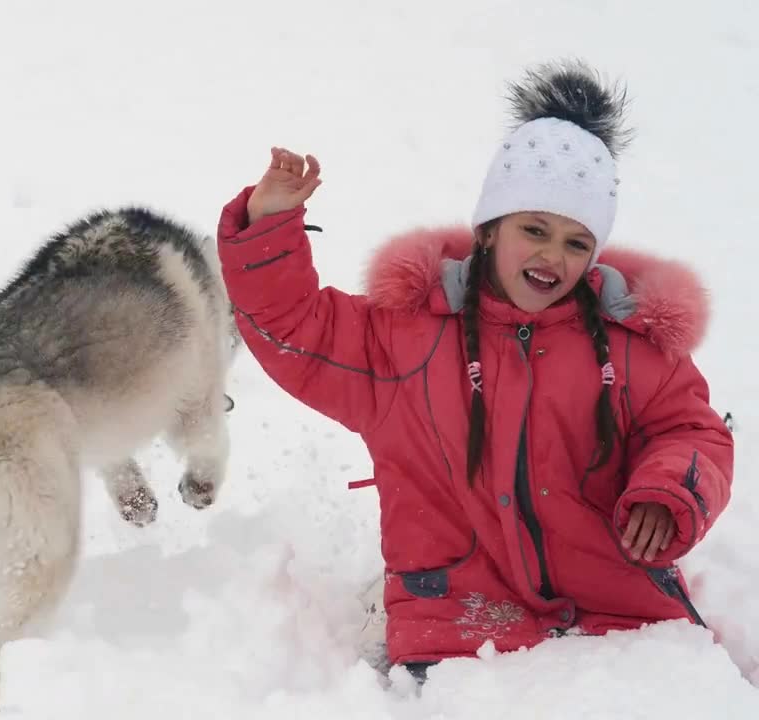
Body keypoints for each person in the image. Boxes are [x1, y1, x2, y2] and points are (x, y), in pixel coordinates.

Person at [214, 60, 734, 682]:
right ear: (488, 231)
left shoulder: (632, 348)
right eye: (533, 229)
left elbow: (692, 432)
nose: (551, 256)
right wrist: (268, 225)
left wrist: (669, 493)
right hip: (457, 626)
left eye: (576, 242)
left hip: (618, 613)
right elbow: (295, 327)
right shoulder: (406, 338)